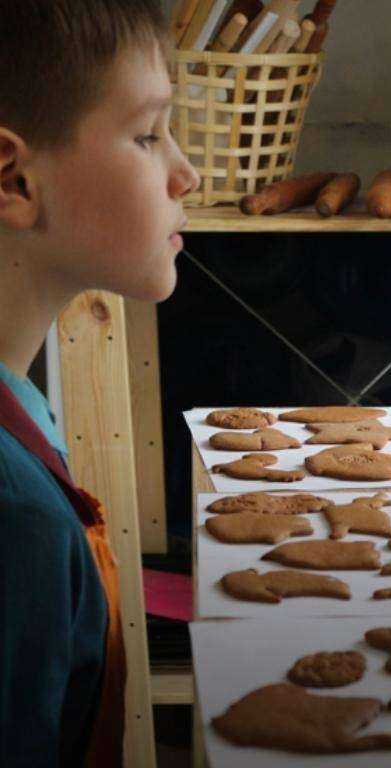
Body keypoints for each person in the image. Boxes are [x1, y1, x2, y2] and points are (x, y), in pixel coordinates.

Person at [0, 2, 200, 765]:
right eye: (149, 135)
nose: (186, 172)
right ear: (14, 178)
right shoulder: (14, 521)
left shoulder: (24, 409)